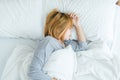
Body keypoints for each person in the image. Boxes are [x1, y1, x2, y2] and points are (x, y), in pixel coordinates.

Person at [28, 9, 88, 80]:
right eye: (69, 28)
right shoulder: (48, 41)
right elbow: (33, 71)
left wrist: (77, 26)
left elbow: (83, 47)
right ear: (60, 28)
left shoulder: (66, 43)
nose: (71, 32)